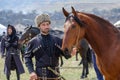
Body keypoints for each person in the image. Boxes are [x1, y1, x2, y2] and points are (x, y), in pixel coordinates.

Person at [24, 14, 76, 80]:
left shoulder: (57, 40)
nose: (46, 26)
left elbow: (65, 55)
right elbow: (27, 57)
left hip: (55, 76)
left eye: (47, 24)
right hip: (40, 77)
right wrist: (31, 72)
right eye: (43, 25)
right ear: (39, 26)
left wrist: (71, 54)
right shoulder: (33, 42)